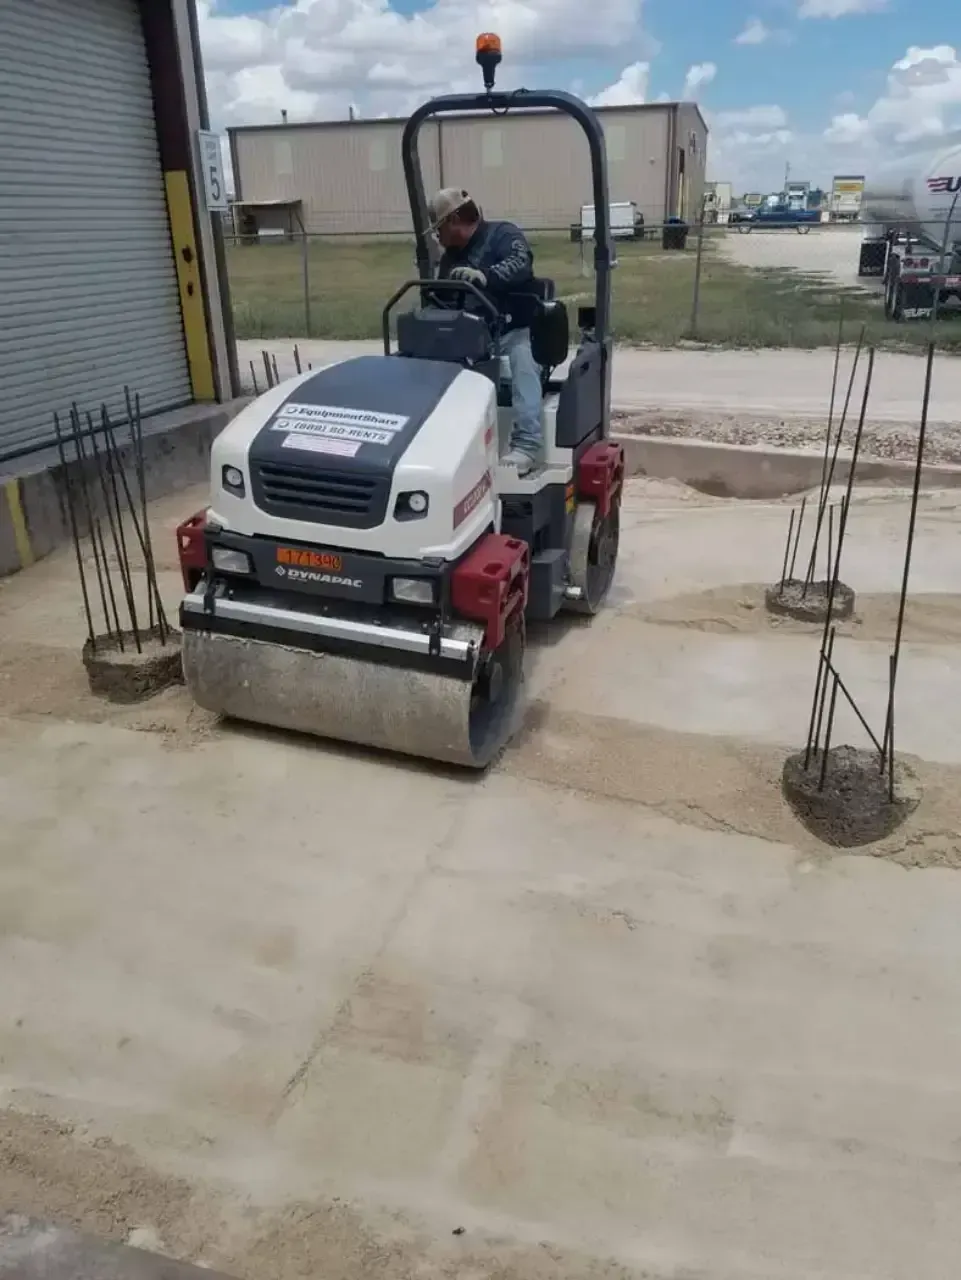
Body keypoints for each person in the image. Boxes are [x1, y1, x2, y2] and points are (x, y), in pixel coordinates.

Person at [427, 187, 542, 475]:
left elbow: (520, 263)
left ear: (454, 220)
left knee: (523, 358)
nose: (437, 236)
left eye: (439, 228)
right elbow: (444, 298)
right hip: (472, 335)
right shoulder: (452, 258)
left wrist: (486, 277)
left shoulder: (503, 235)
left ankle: (527, 444)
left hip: (515, 331)